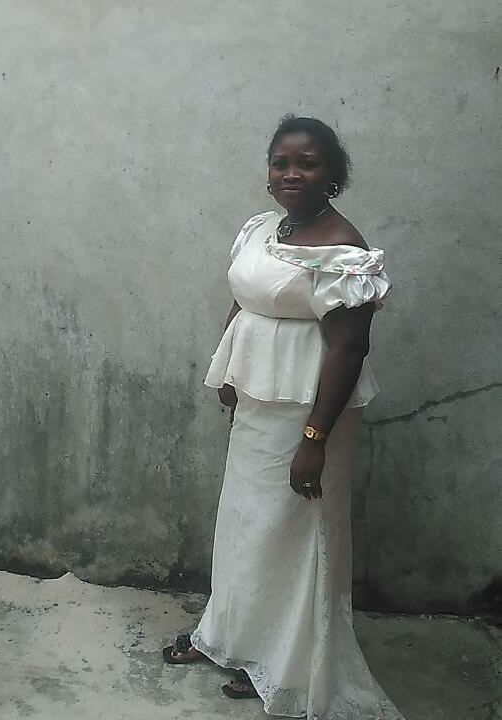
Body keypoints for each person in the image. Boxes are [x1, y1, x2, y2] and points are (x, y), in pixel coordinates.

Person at [163, 115, 404, 720]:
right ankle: (230, 638)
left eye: (307, 164)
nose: (291, 173)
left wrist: (314, 440)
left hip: (307, 413)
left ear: (333, 176)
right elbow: (244, 301)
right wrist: (229, 374)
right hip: (259, 403)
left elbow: (349, 349)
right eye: (281, 163)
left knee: (295, 534)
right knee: (248, 526)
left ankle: (288, 668)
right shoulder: (264, 228)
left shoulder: (343, 252)